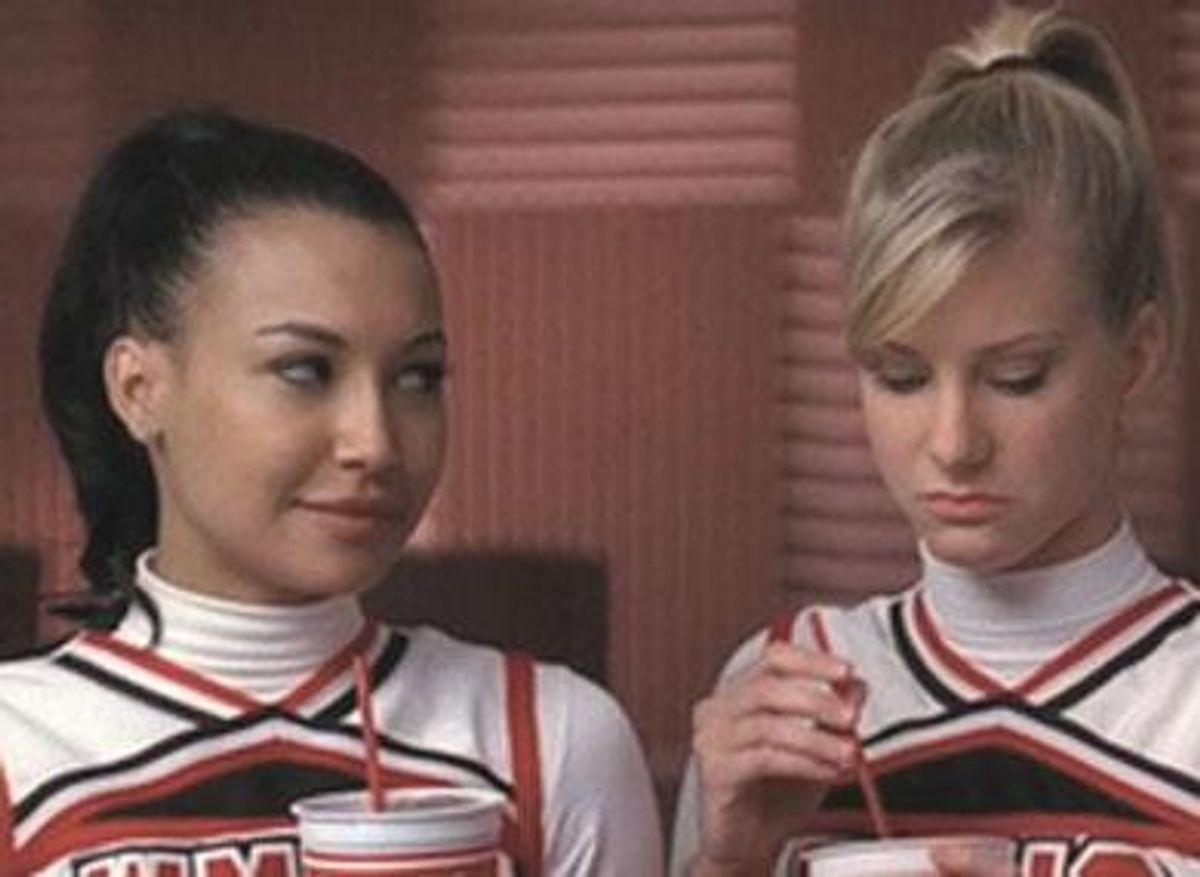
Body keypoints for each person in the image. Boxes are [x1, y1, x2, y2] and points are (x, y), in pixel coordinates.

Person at [0, 108, 664, 876]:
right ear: (138, 388)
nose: (374, 442)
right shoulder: (17, 743)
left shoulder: (552, 738)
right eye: (305, 369)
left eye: (417, 377)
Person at [671, 5, 1199, 875]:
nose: (953, 444)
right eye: (901, 375)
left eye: (1017, 376)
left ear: (1137, 356)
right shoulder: (786, 684)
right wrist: (727, 862)